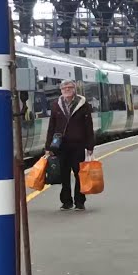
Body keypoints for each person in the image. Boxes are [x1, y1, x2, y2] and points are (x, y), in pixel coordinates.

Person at [45, 80, 95, 211]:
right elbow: (51, 127)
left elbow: (89, 127)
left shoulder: (83, 105)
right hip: (61, 146)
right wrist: (48, 147)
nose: (67, 90)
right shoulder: (56, 105)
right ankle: (66, 201)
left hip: (78, 145)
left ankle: (80, 201)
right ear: (61, 90)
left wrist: (90, 146)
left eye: (69, 87)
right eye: (64, 88)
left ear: (74, 89)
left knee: (79, 174)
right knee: (64, 174)